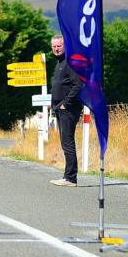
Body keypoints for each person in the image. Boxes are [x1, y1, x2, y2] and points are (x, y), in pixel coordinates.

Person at [50, 34, 83, 187]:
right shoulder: (59, 62)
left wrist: (65, 103)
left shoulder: (69, 62)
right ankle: (68, 176)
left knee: (68, 142)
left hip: (68, 109)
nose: (56, 48)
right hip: (59, 108)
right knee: (65, 142)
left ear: (65, 46)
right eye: (54, 46)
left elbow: (78, 85)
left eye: (59, 46)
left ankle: (70, 178)